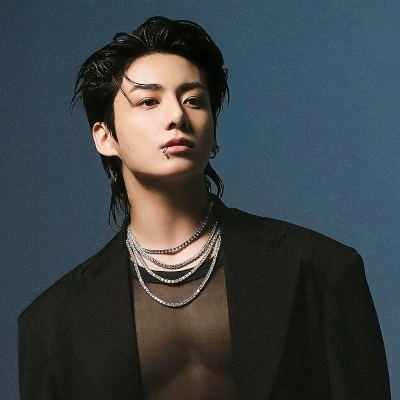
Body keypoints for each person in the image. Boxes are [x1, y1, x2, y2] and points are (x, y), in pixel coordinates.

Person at [18, 16, 391, 400]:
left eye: (194, 100)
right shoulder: (53, 323)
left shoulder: (321, 270)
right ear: (105, 137)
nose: (177, 116)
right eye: (149, 101)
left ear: (212, 128)